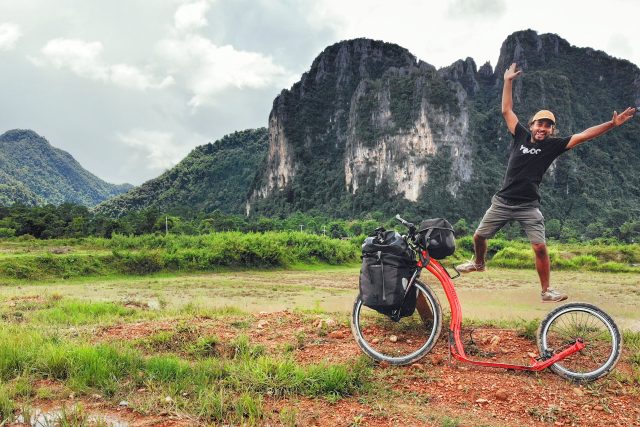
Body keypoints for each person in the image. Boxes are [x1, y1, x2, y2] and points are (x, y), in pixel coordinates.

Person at [457, 62, 636, 303]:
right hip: (502, 201)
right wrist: (508, 81)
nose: (543, 128)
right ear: (531, 125)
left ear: (552, 130)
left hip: (528, 206)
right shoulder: (519, 134)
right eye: (539, 123)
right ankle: (478, 263)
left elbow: (584, 135)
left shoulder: (554, 145)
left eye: (548, 125)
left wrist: (611, 124)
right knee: (479, 237)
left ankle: (546, 291)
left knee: (540, 248)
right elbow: (506, 110)